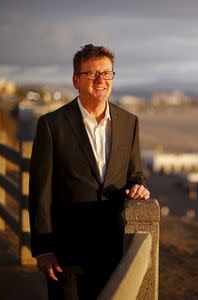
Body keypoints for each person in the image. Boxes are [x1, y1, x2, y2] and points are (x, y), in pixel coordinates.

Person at [28, 44, 150, 300]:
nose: (101, 79)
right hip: (65, 253)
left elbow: (135, 173)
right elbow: (40, 191)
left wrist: (139, 185)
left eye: (107, 73)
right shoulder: (51, 125)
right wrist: (43, 248)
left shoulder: (130, 123)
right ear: (76, 80)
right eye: (92, 73)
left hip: (113, 248)